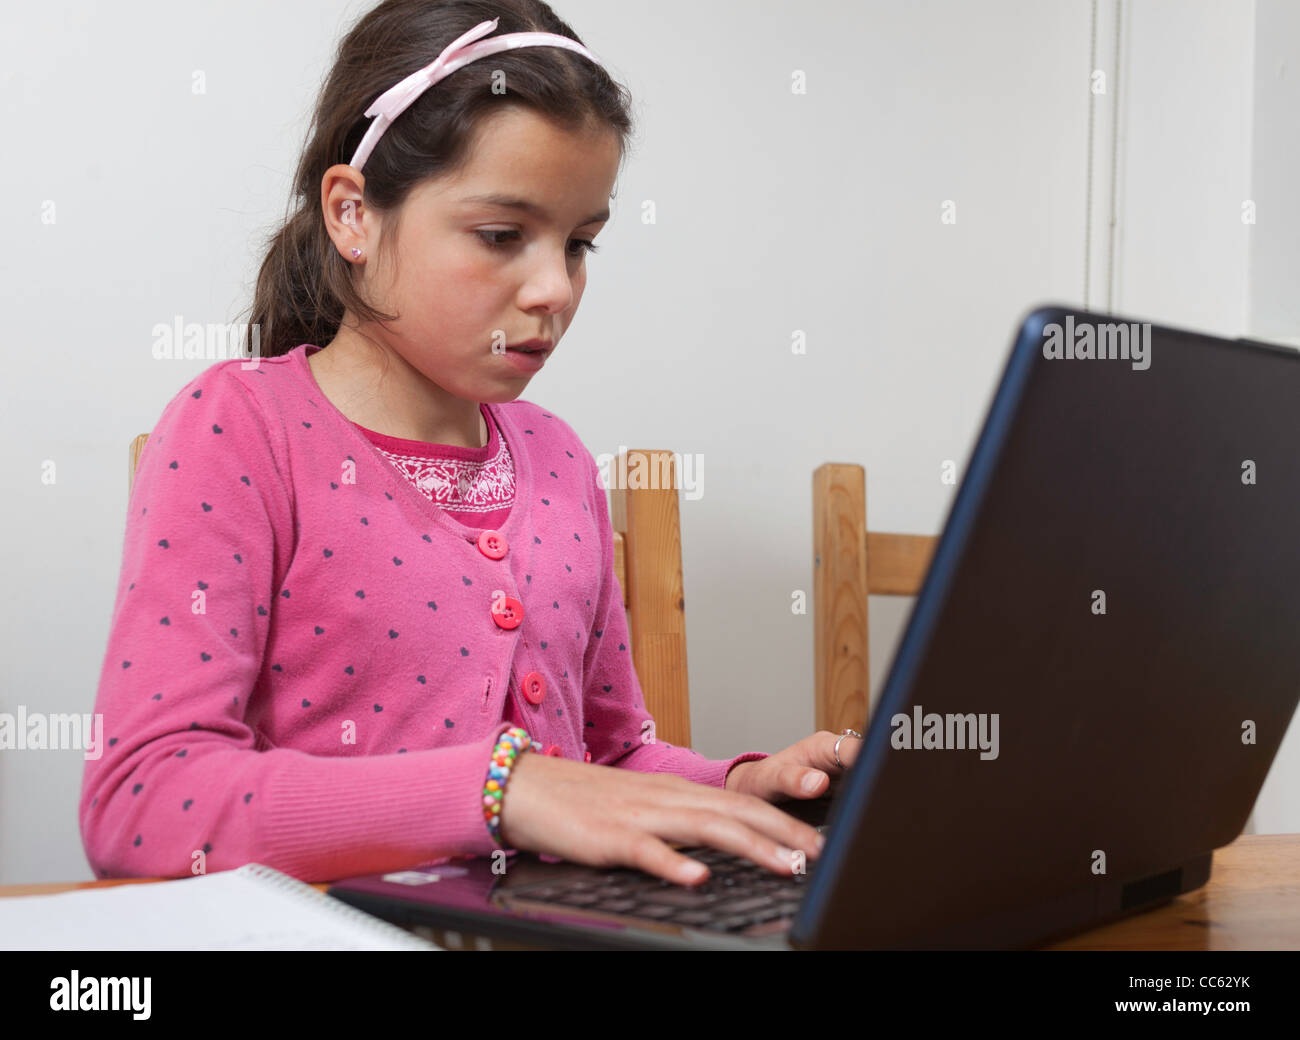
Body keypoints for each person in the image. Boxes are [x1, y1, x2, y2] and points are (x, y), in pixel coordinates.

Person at [81, 0, 861, 887]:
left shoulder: (560, 456)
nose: (552, 289)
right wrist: (499, 790)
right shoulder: (240, 429)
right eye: (501, 236)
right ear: (353, 214)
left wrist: (738, 787)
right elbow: (141, 800)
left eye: (579, 245)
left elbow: (599, 765)